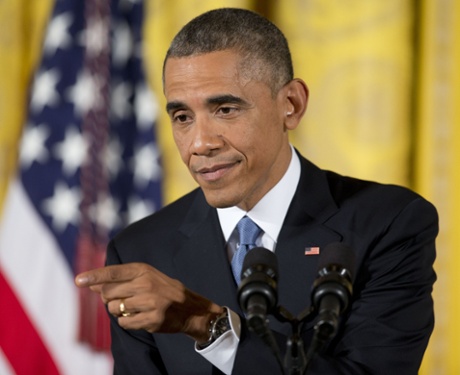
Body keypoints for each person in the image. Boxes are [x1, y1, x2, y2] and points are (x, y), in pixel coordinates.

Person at [75, 8, 437, 375]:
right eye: (182, 117)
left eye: (225, 109)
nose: (199, 144)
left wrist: (207, 323)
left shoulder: (388, 222)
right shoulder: (141, 251)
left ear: (291, 105)